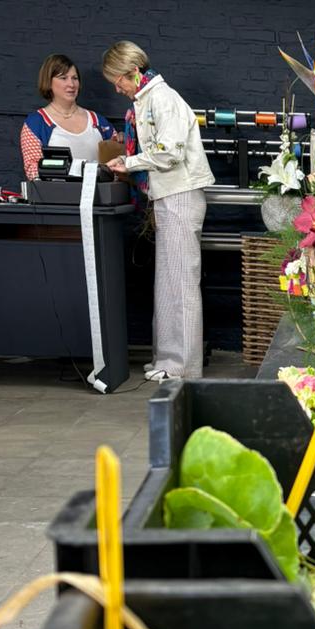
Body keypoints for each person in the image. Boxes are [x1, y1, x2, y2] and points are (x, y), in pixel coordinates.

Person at [102, 41, 214, 383]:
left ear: (133, 72)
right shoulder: (148, 99)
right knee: (167, 282)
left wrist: (128, 162)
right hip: (170, 194)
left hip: (180, 192)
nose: (117, 87)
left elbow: (170, 152)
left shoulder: (163, 99)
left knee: (180, 282)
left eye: (118, 80)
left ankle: (183, 366)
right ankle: (168, 359)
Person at [20, 54, 118, 179]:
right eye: (63, 78)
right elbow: (32, 170)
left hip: (97, 196)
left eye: (75, 78)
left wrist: (120, 144)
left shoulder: (98, 121)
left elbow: (118, 163)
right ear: (48, 82)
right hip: (56, 196)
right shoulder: (36, 123)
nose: (71, 84)